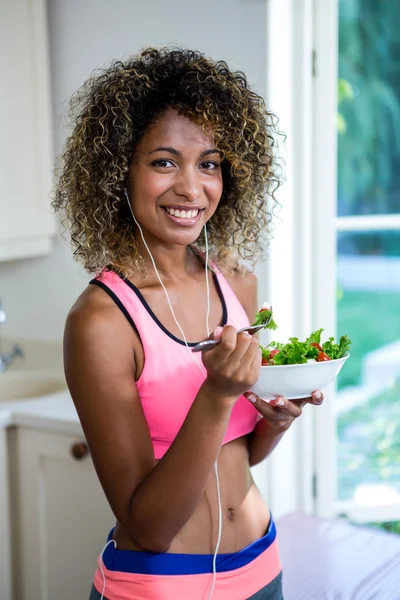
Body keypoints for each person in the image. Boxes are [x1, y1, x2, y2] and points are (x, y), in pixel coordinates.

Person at [52, 47, 324, 600]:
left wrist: (277, 416)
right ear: (117, 171)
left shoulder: (236, 283)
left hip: (262, 566)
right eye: (164, 161)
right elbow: (149, 527)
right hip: (162, 586)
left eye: (209, 163)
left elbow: (236, 455)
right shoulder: (102, 320)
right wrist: (218, 392)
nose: (192, 188)